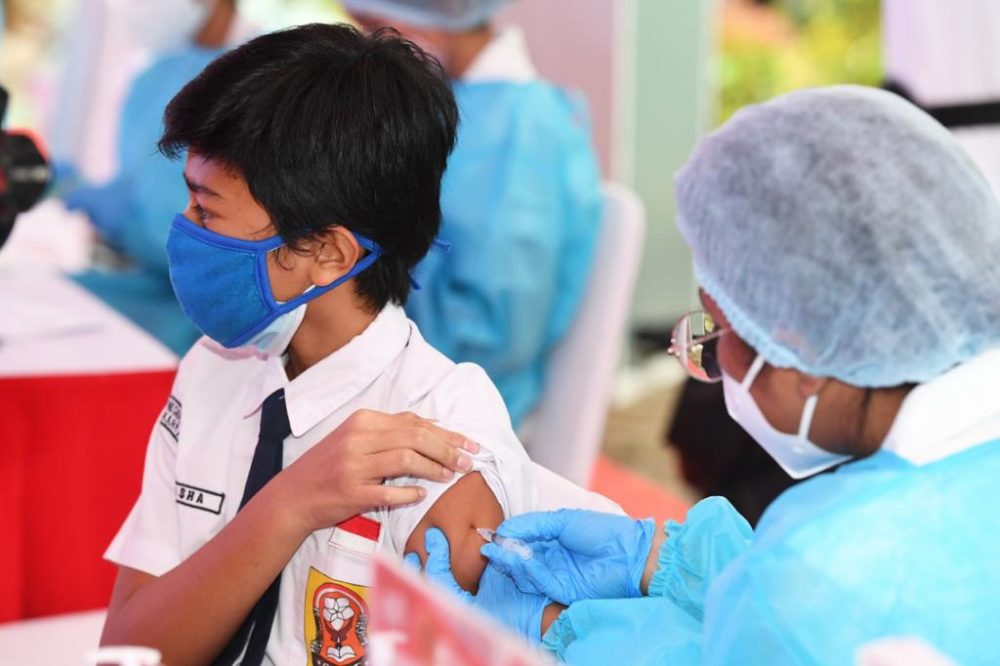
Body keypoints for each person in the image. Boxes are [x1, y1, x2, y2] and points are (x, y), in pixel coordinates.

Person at [415, 86, 1000, 664]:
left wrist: (549, 637)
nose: (710, 367)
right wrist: (668, 563)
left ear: (800, 354)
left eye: (718, 334)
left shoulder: (820, 574)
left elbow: (798, 613)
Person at [99, 24, 540, 665]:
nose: (184, 233)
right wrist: (289, 505)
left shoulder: (438, 430)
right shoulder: (214, 370)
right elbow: (132, 649)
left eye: (207, 211)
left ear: (328, 253)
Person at [344, 0, 603, 428]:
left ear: (435, 21)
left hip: (458, 412)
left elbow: (496, 334)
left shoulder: (523, 131)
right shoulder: (452, 101)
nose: (367, 50)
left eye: (375, 28)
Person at [63, 0, 249, 354]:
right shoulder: (154, 77)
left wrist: (132, 221)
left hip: (198, 326)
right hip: (143, 289)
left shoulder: (258, 86)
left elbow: (202, 242)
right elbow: (141, 191)